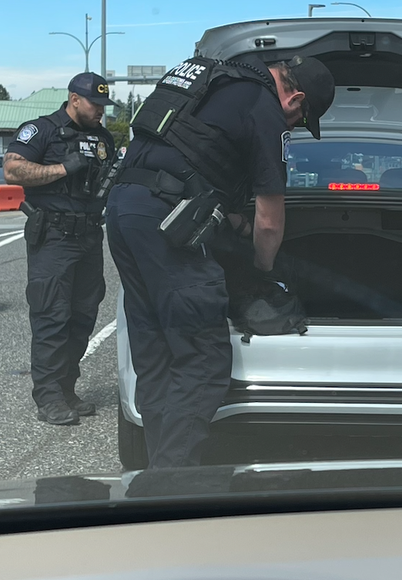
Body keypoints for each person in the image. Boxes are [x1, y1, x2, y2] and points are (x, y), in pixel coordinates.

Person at [105, 55, 335, 467]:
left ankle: (153, 470)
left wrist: (231, 221)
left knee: (156, 351)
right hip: (166, 224)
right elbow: (269, 222)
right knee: (203, 360)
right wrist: (262, 274)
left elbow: (192, 159)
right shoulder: (264, 107)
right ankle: (172, 483)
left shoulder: (213, 80)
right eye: (301, 119)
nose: (294, 126)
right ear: (296, 97)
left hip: (125, 209)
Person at [5, 72, 117, 426]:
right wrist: (61, 168)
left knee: (82, 317)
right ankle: (49, 396)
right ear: (73, 100)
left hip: (88, 236)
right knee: (51, 316)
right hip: (52, 236)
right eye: (94, 104)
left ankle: (67, 388)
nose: (101, 111)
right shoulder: (42, 130)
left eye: (103, 105)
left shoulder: (102, 138)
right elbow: (12, 170)